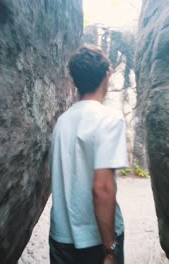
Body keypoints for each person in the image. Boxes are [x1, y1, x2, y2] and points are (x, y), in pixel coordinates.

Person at [49, 45, 128, 264]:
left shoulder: (62, 123)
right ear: (106, 76)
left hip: (61, 239)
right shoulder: (110, 120)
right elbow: (102, 188)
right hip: (96, 243)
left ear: (75, 82)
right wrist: (110, 248)